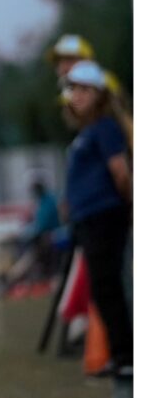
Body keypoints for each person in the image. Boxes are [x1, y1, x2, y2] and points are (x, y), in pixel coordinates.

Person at [61, 60, 133, 379]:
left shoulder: (104, 127)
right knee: (102, 289)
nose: (76, 96)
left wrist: (129, 202)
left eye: (84, 90)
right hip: (89, 218)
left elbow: (120, 170)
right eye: (73, 89)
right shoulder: (87, 131)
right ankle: (121, 354)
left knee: (109, 286)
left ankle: (126, 356)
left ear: (99, 94)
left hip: (105, 215)